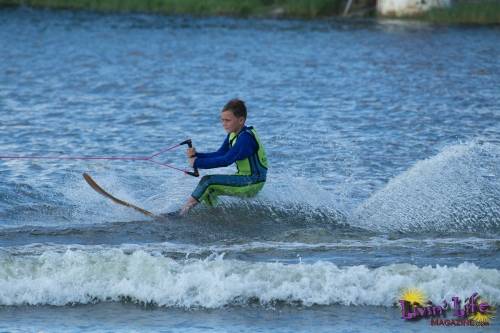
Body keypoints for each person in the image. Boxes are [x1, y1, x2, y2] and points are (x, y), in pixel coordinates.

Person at [180, 99, 268, 215]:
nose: (224, 123)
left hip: (253, 182)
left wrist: (197, 163)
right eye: (222, 120)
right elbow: (220, 153)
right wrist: (197, 155)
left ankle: (181, 214)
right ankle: (217, 216)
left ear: (241, 120)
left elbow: (226, 160)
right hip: (245, 178)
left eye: (228, 120)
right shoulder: (233, 134)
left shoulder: (245, 139)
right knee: (210, 191)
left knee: (208, 181)